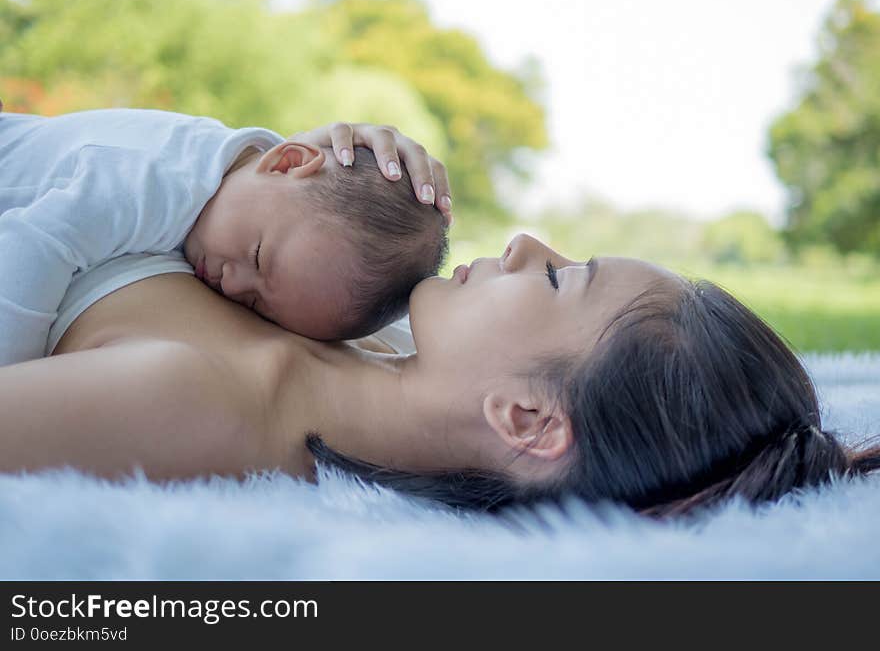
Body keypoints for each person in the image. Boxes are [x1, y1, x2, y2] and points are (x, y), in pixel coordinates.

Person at [0, 218, 877, 519]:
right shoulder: (364, 337)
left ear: (526, 419)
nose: (527, 242)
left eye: (560, 277)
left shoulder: (192, 399)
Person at [0, 109, 452, 365]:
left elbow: (312, 200)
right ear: (286, 161)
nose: (233, 285)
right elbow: (31, 249)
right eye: (257, 258)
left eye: (259, 307)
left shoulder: (258, 185)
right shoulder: (151, 178)